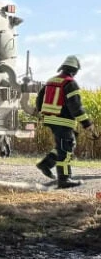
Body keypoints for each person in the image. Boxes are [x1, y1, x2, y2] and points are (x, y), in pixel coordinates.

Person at [34, 55, 94, 189]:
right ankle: (64, 179)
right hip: (63, 121)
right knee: (66, 150)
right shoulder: (70, 83)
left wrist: (41, 113)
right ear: (75, 71)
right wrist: (87, 124)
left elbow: (39, 100)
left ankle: (46, 163)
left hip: (51, 120)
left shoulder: (51, 81)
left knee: (67, 144)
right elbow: (76, 107)